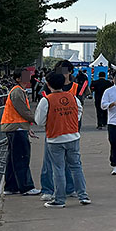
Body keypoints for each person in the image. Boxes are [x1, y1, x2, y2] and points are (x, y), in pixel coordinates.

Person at [34, 72, 90, 208]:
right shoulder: (73, 97)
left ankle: (59, 199)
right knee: (76, 167)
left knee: (58, 169)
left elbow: (39, 121)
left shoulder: (46, 100)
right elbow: (79, 111)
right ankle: (83, 195)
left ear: (48, 84)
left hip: (55, 138)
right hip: (73, 136)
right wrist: (71, 121)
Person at [1, 69, 41, 195]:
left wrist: (28, 128)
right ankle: (26, 187)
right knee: (22, 158)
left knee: (13, 159)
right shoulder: (17, 91)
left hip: (16, 127)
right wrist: (38, 120)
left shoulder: (19, 91)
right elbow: (23, 111)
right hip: (16, 128)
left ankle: (11, 187)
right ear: (18, 79)